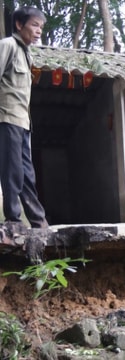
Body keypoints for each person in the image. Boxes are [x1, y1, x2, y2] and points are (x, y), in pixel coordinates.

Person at [0, 7, 48, 229]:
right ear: (19, 25)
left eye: (41, 27)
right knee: (12, 171)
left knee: (28, 174)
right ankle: (13, 219)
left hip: (22, 121)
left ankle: (38, 220)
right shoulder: (7, 45)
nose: (39, 31)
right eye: (34, 25)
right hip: (6, 117)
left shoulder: (27, 54)